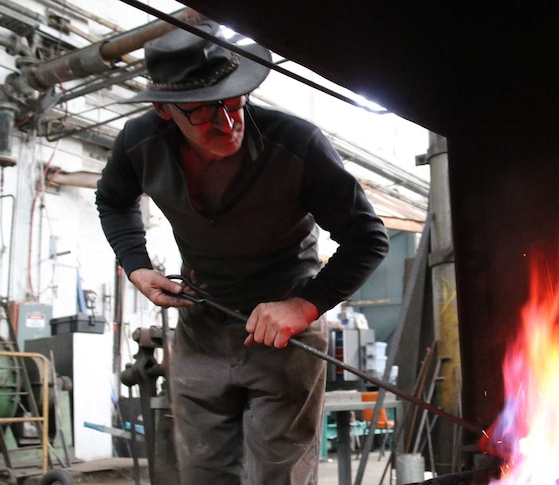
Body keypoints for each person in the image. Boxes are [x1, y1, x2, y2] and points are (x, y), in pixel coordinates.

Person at [95, 20, 389, 484]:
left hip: (285, 334)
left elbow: (368, 236)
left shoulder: (297, 145)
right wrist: (136, 266)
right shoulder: (140, 144)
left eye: (234, 104)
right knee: (204, 473)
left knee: (281, 474)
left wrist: (304, 305)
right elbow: (112, 200)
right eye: (205, 113)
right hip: (201, 328)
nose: (228, 123)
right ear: (164, 109)